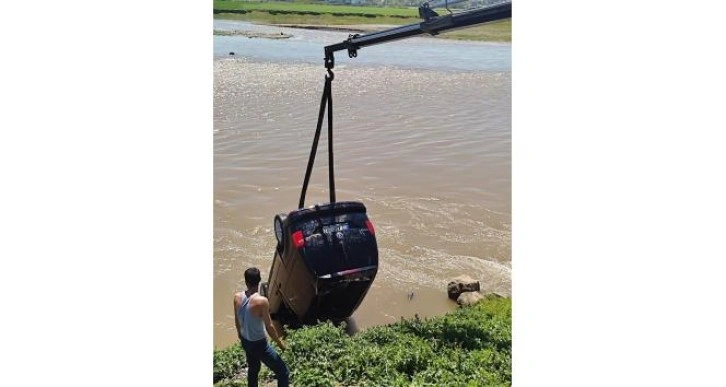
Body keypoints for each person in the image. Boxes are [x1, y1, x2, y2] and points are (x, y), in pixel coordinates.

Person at [234, 267, 290, 387]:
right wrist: (280, 344)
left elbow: (236, 320)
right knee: (283, 372)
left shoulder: (237, 297)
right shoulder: (262, 301)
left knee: (254, 368)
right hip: (259, 345)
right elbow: (269, 326)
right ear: (259, 280)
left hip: (245, 341)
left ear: (245, 281)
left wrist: (240, 335)